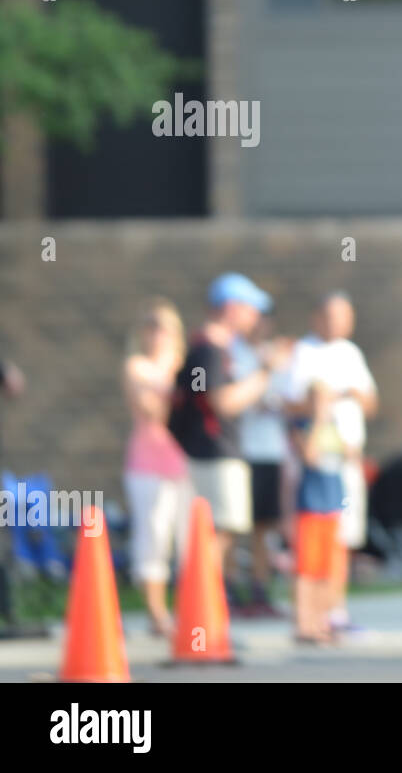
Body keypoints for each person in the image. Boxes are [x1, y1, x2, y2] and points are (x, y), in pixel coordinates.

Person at [169, 273, 276, 602]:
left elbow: (200, 395)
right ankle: (200, 611)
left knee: (215, 534)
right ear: (231, 308)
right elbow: (219, 402)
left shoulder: (208, 349)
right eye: (250, 309)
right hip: (212, 453)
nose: (255, 318)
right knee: (216, 534)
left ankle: (204, 612)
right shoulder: (210, 351)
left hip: (208, 452)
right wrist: (265, 373)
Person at [285, 292, 378, 633]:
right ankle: (308, 621)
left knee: (340, 543)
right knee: (310, 556)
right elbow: (291, 404)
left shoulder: (351, 353)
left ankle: (331, 615)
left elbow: (370, 401)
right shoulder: (303, 353)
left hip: (342, 465)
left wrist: (347, 401)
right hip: (314, 473)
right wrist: (323, 409)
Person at [121, 298, 191, 637]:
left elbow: (203, 404)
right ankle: (157, 613)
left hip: (185, 463)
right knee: (154, 538)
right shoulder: (137, 367)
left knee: (188, 540)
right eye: (151, 326)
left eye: (163, 327)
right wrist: (179, 396)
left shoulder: (185, 366)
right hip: (148, 464)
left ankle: (190, 611)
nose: (157, 334)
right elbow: (154, 411)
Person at [229, 314, 295, 616]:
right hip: (242, 452)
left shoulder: (274, 355)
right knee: (231, 526)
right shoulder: (233, 352)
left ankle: (259, 592)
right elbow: (241, 399)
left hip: (271, 451)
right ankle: (230, 591)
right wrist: (264, 378)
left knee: (264, 527)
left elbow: (285, 399)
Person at [289, 381, 347, 644]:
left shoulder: (334, 427)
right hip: (311, 505)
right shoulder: (302, 427)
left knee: (327, 569)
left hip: (332, 504)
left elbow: (347, 454)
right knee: (307, 568)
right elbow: (310, 456)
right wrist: (320, 422)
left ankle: (323, 623)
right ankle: (304, 624)